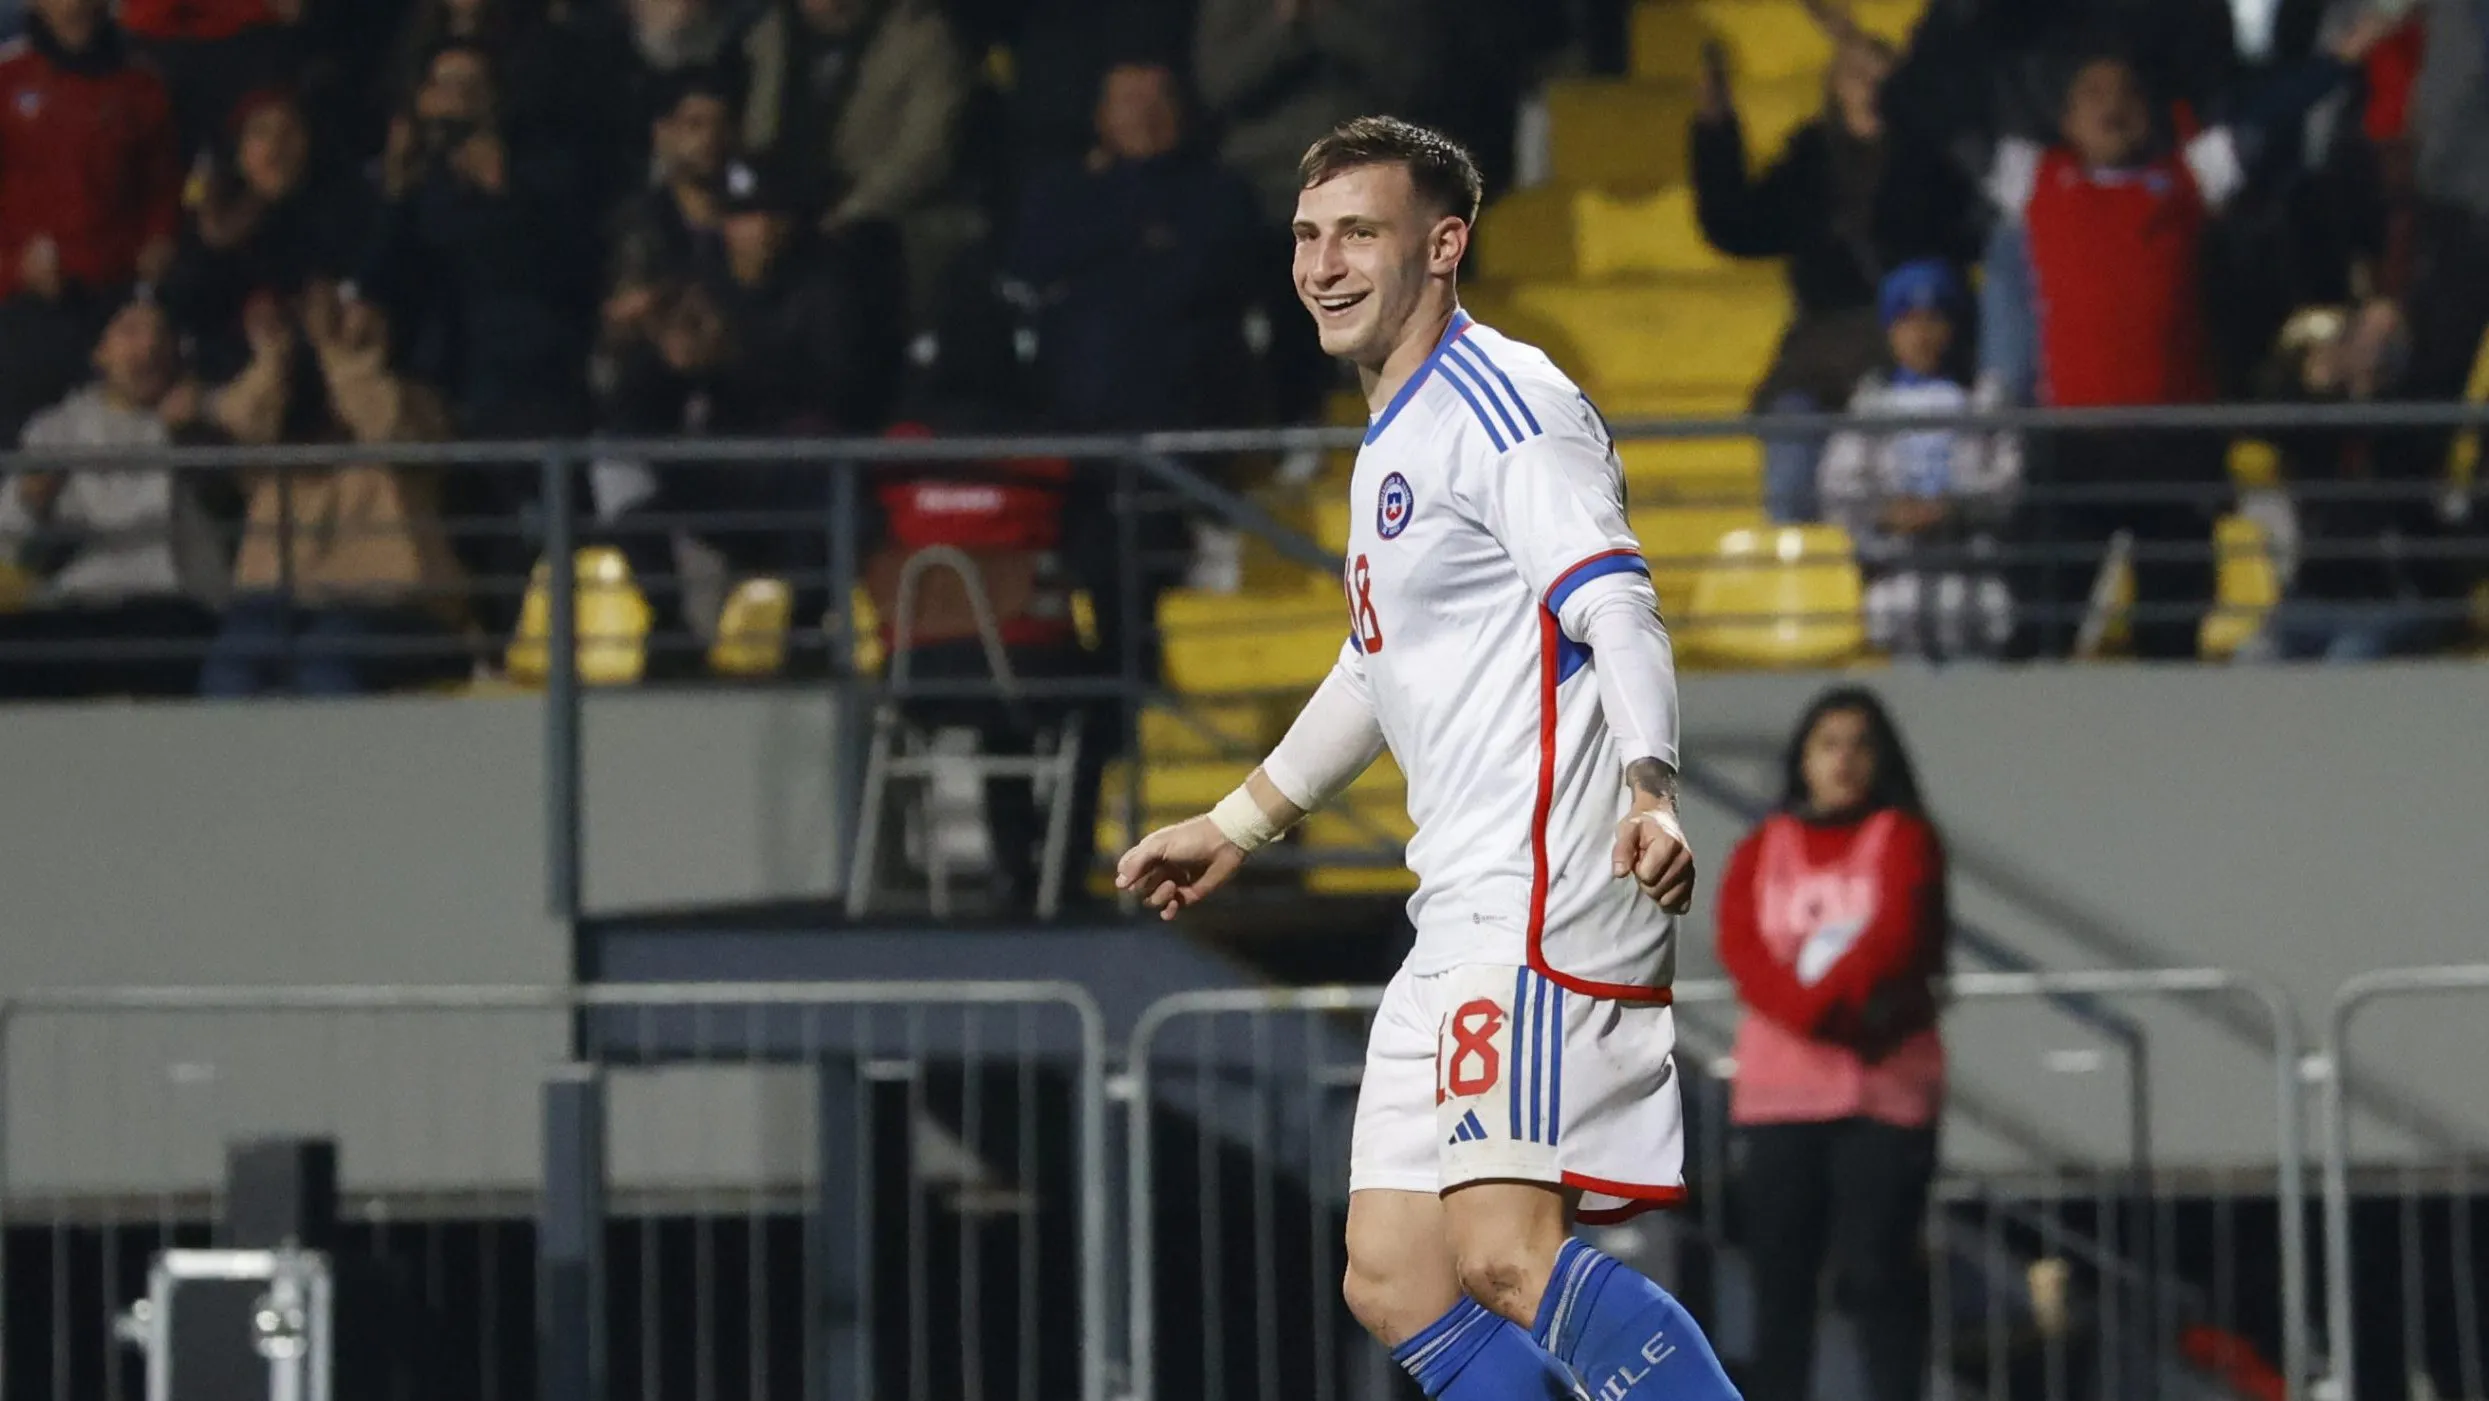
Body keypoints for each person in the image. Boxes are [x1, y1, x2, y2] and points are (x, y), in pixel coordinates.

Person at [1114, 118, 1738, 1401]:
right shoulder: (1393, 430)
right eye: (1306, 236)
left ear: (1443, 245)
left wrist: (1650, 788)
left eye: (1358, 233)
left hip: (1544, 881)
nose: (1323, 265)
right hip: (1456, 904)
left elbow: (1614, 599)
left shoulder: (1505, 406)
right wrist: (1235, 825)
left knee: (1505, 1256)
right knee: (1391, 1274)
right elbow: (1373, 665)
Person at [1988, 25, 2390, 656]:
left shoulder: (2186, 177)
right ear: (2065, 119)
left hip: (2173, 443)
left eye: (2126, 92)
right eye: (2092, 92)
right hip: (2073, 448)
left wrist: (2338, 60)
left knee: (2172, 636)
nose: (2111, 104)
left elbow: (2269, 115)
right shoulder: (2035, 178)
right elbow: (1938, 105)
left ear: (2148, 113)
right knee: (2039, 631)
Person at [1713, 687, 1947, 1401]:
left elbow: (1895, 940)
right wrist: (1804, 1008)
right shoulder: (1761, 848)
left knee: (1878, 1275)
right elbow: (1742, 945)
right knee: (1781, 1285)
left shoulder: (1904, 838)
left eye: (1858, 743)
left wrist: (1819, 1006)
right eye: (1827, 743)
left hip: (1881, 1094)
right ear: (1802, 759)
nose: (1842, 759)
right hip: (1781, 1097)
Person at [1691, 33, 1977, 523]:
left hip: (1916, 360)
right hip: (1822, 358)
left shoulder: (1936, 164)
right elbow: (1736, 225)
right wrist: (1716, 127)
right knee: (1791, 456)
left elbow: (1964, 237)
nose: (1867, 84)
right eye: (1853, 72)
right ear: (1834, 86)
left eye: (1880, 72)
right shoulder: (1810, 161)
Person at [198, 283, 472, 697]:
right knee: (231, 667)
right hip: (279, 603)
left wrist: (341, 351)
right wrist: (274, 356)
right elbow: (235, 424)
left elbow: (385, 425)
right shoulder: (278, 422)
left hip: (392, 604)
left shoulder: (417, 403)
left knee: (326, 662)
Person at [1012, 59, 1264, 432]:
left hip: (1188, 378)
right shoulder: (1061, 191)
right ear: (1100, 116)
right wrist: (1139, 238)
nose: (1148, 114)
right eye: (1130, 101)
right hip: (1081, 375)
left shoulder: (1221, 191)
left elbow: (1208, 271)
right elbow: (1036, 263)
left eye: (1160, 99)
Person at [0, 296, 227, 699]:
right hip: (82, 602)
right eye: (131, 331)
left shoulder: (202, 412)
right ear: (100, 353)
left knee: (163, 638)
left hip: (170, 602)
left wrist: (188, 430)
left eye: (160, 334)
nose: (149, 345)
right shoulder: (58, 427)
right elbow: (10, 537)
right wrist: (33, 500)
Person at [0, 0, 182, 444]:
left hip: (116, 309)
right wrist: (15, 268)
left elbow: (163, 190)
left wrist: (161, 239)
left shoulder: (142, 84)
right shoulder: (7, 78)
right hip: (24, 312)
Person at [1818, 260, 2020, 661]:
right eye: (1908, 321)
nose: (1921, 335)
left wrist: (1953, 507)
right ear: (1891, 330)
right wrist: (1888, 510)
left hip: (1971, 574)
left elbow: (2008, 480)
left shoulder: (1985, 399)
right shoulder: (1870, 403)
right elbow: (1839, 488)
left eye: (1933, 320)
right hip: (1897, 574)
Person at [159, 88, 371, 383]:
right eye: (261, 133)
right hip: (226, 383)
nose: (276, 146)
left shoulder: (338, 215)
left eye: (289, 133)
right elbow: (186, 310)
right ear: (239, 150)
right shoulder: (209, 223)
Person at [738, 0, 968, 231]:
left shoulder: (922, 37)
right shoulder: (766, 34)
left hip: (877, 221)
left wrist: (847, 215)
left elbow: (925, 154)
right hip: (766, 215)